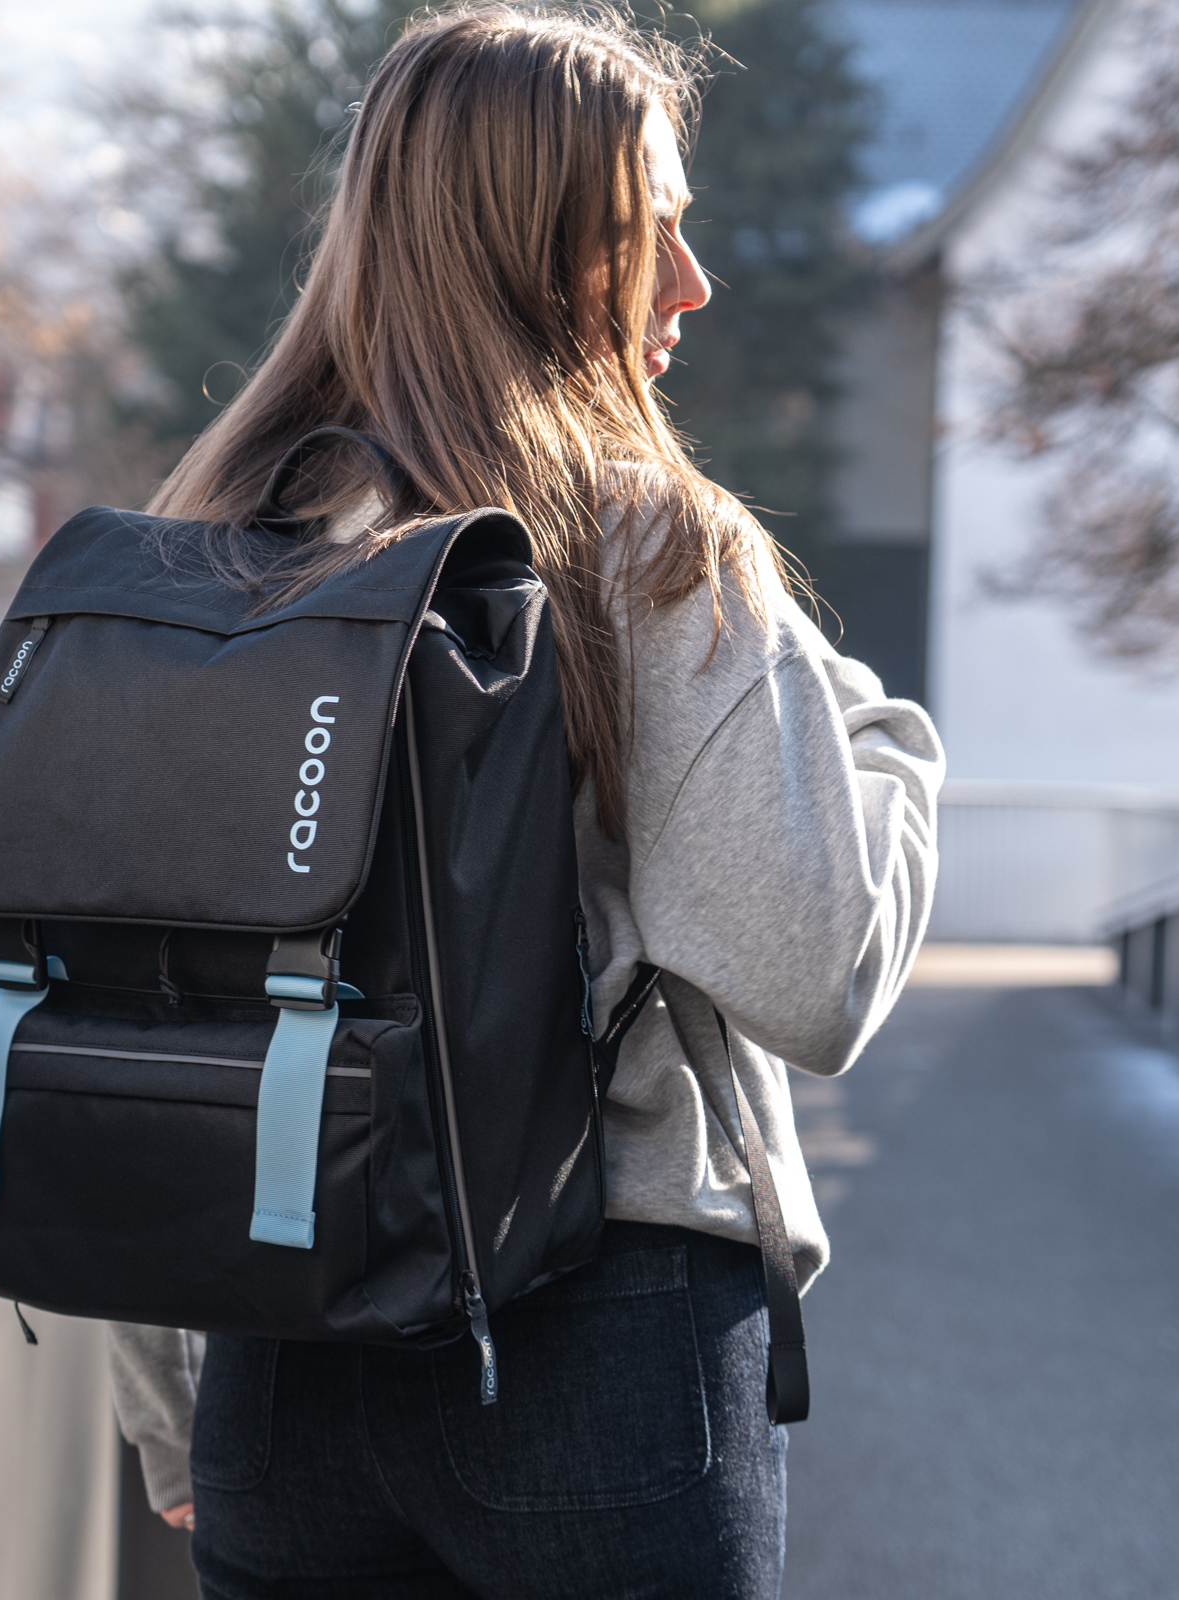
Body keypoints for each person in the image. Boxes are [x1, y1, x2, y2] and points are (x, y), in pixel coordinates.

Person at [106, 6, 943, 1596]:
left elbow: (146, 992)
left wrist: (170, 1415)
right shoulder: (646, 538)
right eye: (655, 236)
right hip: (600, 1349)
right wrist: (892, 749)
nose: (692, 287)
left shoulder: (212, 549)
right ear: (548, 252)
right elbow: (809, 965)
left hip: (275, 1352)